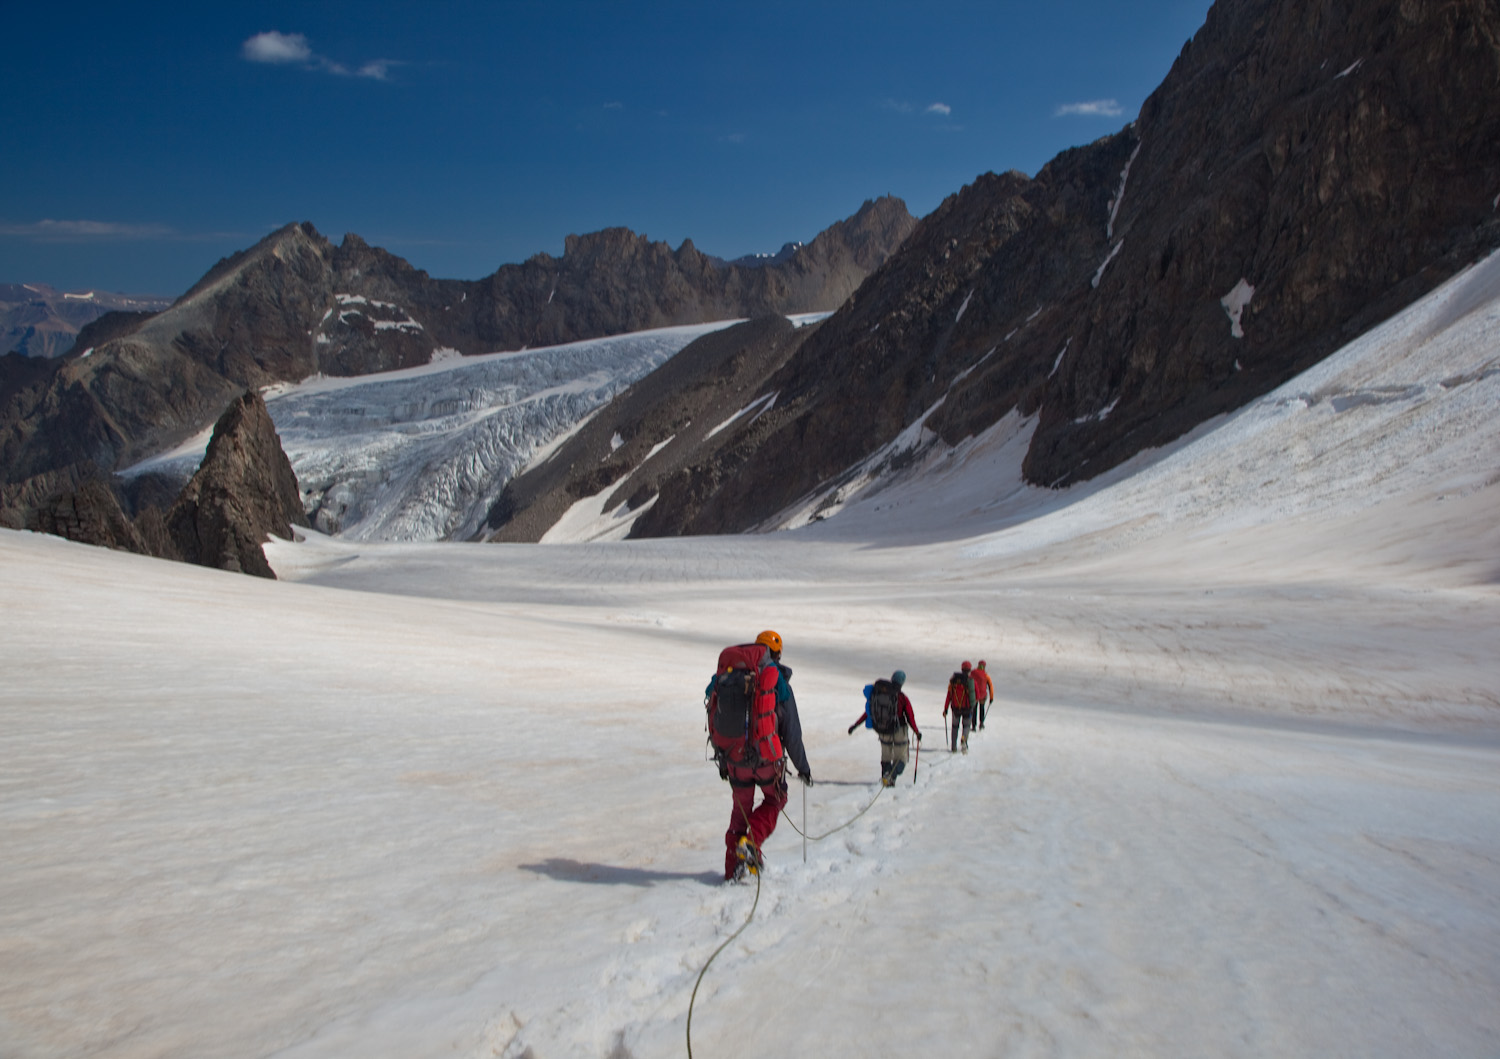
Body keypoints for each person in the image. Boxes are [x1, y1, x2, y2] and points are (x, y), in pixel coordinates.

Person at [717, 629, 812, 881]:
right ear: (777, 654)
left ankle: (732, 871)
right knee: (774, 800)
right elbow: (792, 732)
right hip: (766, 759)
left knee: (740, 812)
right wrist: (803, 767)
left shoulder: (730, 674)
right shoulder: (777, 681)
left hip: (734, 758)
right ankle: (751, 842)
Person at [848, 670, 922, 785]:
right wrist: (916, 732)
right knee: (900, 759)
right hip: (899, 731)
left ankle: (886, 778)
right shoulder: (901, 697)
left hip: (882, 729)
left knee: (886, 756)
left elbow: (869, 711)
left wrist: (855, 725)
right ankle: (891, 776)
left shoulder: (879, 693)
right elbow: (910, 717)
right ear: (902, 682)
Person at [943, 661, 976, 753]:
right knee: (966, 726)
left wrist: (945, 709)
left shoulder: (953, 681)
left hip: (955, 708)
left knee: (954, 727)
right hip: (967, 709)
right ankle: (963, 739)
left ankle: (953, 747)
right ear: (969, 670)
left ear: (962, 669)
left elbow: (949, 695)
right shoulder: (970, 681)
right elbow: (975, 695)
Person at [973, 659, 995, 730]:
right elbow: (990, 686)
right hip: (982, 695)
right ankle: (981, 723)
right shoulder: (986, 675)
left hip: (974, 695)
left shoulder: (973, 673)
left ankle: (974, 725)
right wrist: (991, 697)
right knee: (981, 709)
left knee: (974, 709)